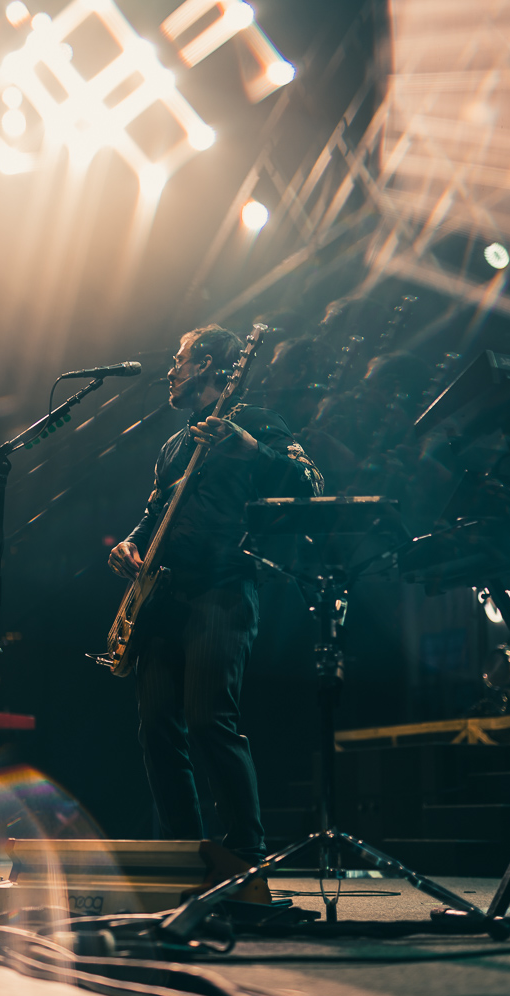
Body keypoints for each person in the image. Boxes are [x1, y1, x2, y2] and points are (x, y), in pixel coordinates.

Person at [108, 324, 323, 866]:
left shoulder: (255, 422)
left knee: (208, 721)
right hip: (161, 598)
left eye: (180, 359)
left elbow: (311, 483)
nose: (171, 370)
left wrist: (249, 450)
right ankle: (185, 853)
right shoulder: (174, 444)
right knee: (157, 728)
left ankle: (247, 855)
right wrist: (131, 545)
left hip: (222, 591)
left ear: (205, 362)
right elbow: (155, 513)